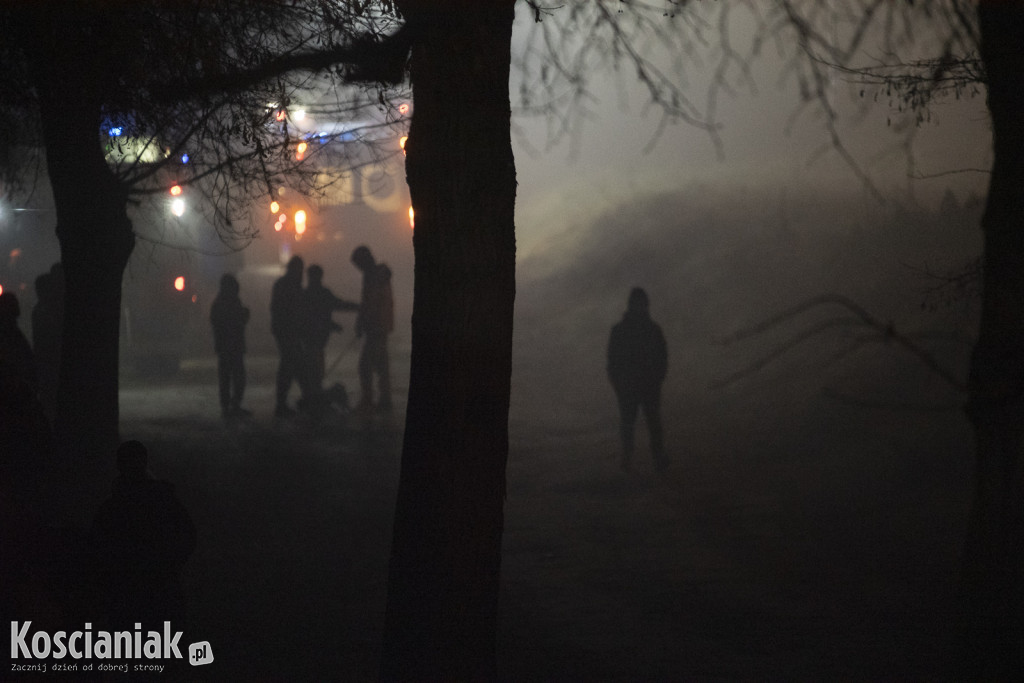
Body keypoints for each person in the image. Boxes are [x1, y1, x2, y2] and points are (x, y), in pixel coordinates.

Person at [89, 440, 196, 629]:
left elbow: (97, 549)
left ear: (118, 465)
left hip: (126, 595)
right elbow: (188, 535)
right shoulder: (165, 499)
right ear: (145, 462)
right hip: (163, 590)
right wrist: (169, 566)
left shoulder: (112, 508)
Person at [607, 287, 668, 472]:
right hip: (635, 385)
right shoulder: (650, 330)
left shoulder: (623, 330)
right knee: (635, 423)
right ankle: (634, 458)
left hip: (642, 385)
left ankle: (648, 458)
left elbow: (662, 358)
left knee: (645, 423)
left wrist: (657, 378)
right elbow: (613, 361)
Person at [302, 264, 359, 408]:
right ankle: (316, 399)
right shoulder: (322, 293)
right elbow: (337, 305)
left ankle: (314, 398)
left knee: (314, 371)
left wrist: (332, 325)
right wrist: (359, 307)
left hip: (311, 341)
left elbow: (315, 316)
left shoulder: (307, 294)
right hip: (316, 341)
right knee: (316, 370)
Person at [351, 246, 394, 412]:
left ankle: (368, 399)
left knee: (365, 365)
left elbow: (370, 304)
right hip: (381, 326)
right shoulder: (380, 275)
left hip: (376, 327)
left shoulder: (372, 277)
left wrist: (362, 323)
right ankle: (385, 399)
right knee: (382, 365)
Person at [270, 255, 312, 417]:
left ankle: (297, 400)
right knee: (292, 366)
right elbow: (289, 311)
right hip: (288, 332)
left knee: (291, 366)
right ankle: (298, 400)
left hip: (287, 332)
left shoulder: (284, 285)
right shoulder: (290, 286)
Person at [210, 273, 251, 419]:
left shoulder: (220, 303)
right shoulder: (229, 302)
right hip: (232, 346)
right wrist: (244, 315)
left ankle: (229, 406)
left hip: (226, 347)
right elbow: (235, 322)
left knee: (227, 378)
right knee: (234, 378)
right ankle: (231, 406)